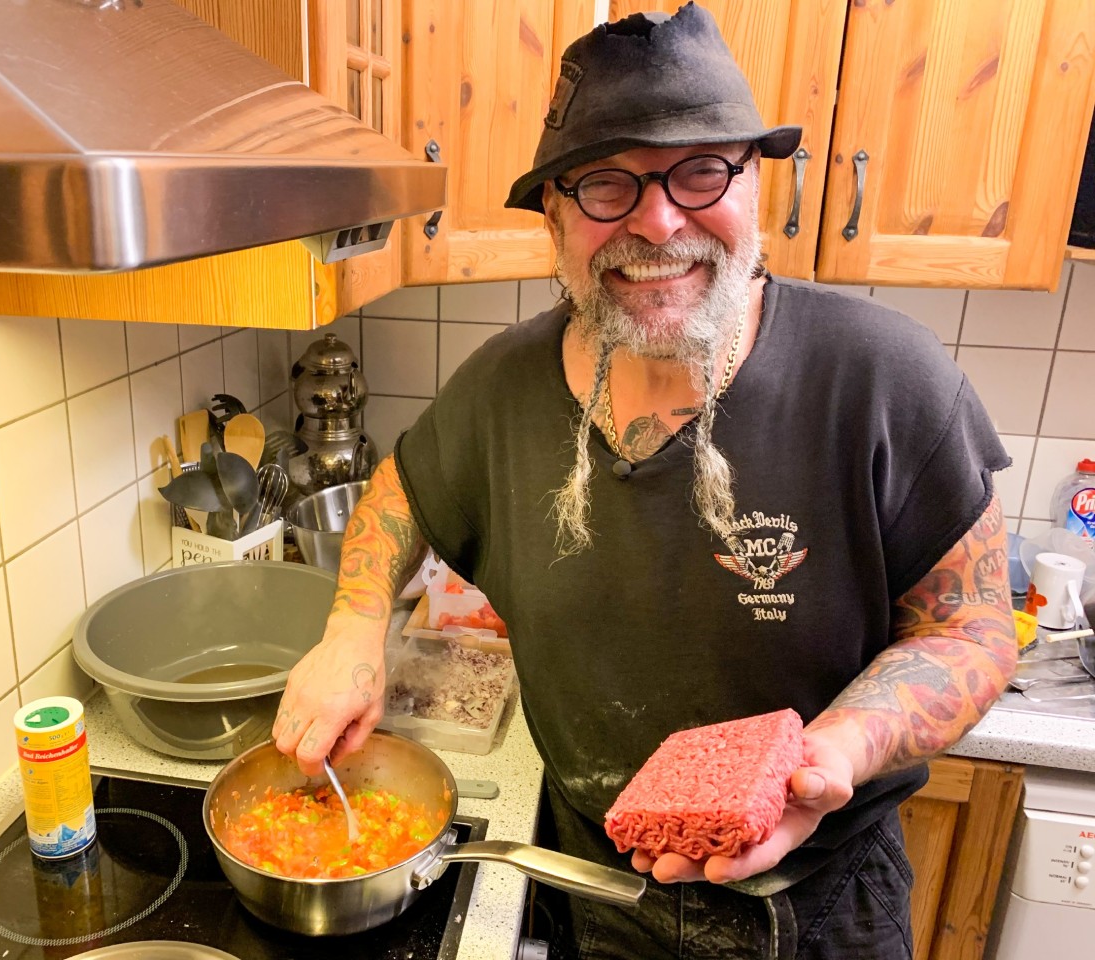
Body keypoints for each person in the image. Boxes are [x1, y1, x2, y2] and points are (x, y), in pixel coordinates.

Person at [273, 6, 1017, 958]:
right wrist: (351, 630)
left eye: (702, 170)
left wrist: (838, 749)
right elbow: (399, 493)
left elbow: (973, 624)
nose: (658, 221)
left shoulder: (886, 381)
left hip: (821, 905)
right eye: (604, 185)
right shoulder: (502, 388)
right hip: (598, 891)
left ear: (754, 181)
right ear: (553, 214)